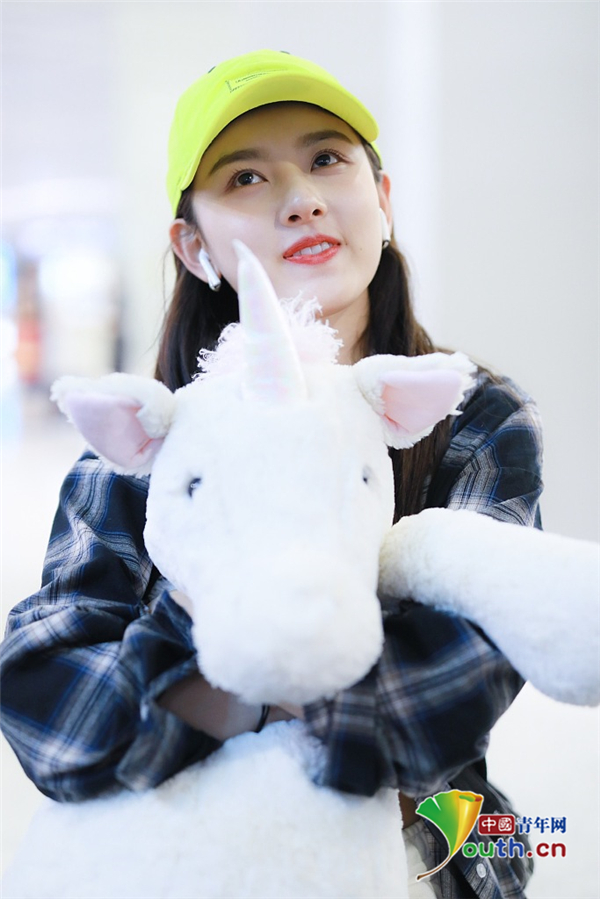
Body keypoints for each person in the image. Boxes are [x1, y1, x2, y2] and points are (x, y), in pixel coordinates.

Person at [1, 50, 543, 898]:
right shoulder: (145, 441)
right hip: (185, 858)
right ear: (193, 245)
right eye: (246, 177)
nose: (302, 198)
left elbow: (463, 679)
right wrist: (290, 684)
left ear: (383, 198)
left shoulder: (473, 416)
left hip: (427, 842)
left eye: (327, 158)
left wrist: (205, 688)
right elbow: (48, 707)